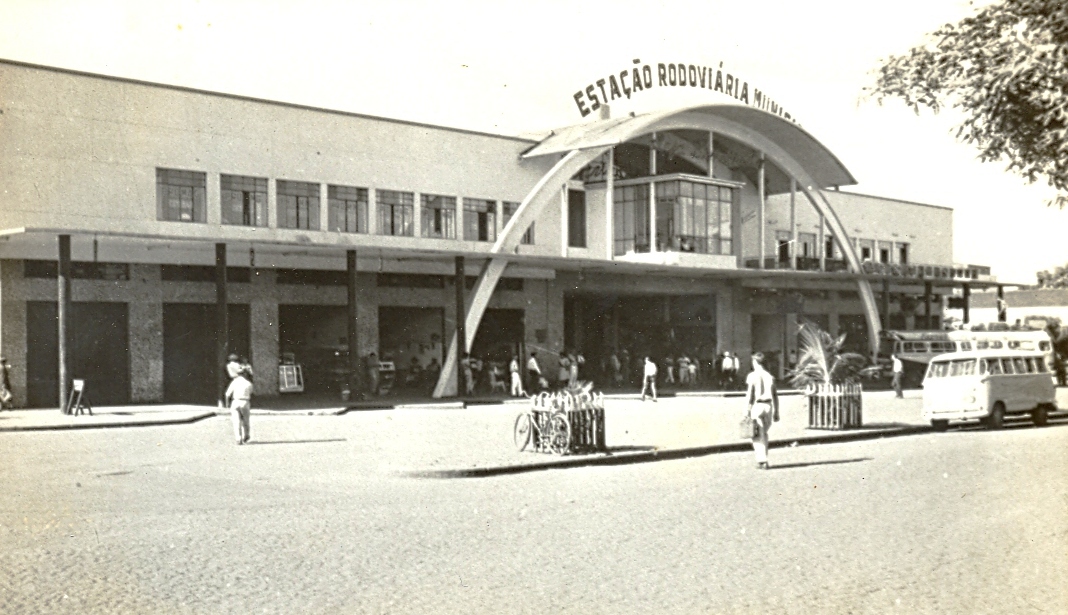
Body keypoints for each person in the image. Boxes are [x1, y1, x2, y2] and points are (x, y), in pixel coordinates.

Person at [745, 352, 779, 469]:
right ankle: (764, 458)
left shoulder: (752, 376)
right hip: (769, 406)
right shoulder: (770, 376)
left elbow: (749, 395)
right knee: (764, 433)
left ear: (755, 362)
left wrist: (746, 410)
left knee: (757, 435)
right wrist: (776, 411)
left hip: (758, 406)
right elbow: (775, 395)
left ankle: (762, 460)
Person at [225, 365, 254, 445]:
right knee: (246, 421)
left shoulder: (234, 382)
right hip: (245, 401)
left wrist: (227, 404)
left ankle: (238, 438)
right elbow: (251, 393)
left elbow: (227, 394)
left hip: (235, 401)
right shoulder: (248, 383)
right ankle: (246, 435)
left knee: (236, 421)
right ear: (245, 374)